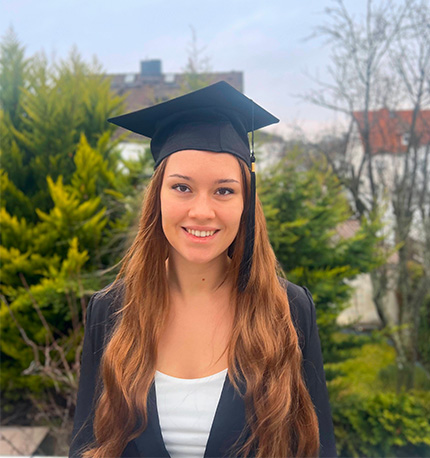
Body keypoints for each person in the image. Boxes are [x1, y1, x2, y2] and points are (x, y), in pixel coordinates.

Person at [69, 81, 337, 458]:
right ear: (157, 196)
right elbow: (87, 446)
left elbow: (317, 449)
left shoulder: (287, 310)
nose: (201, 211)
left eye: (224, 191)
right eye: (182, 187)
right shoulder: (112, 310)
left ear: (246, 202)